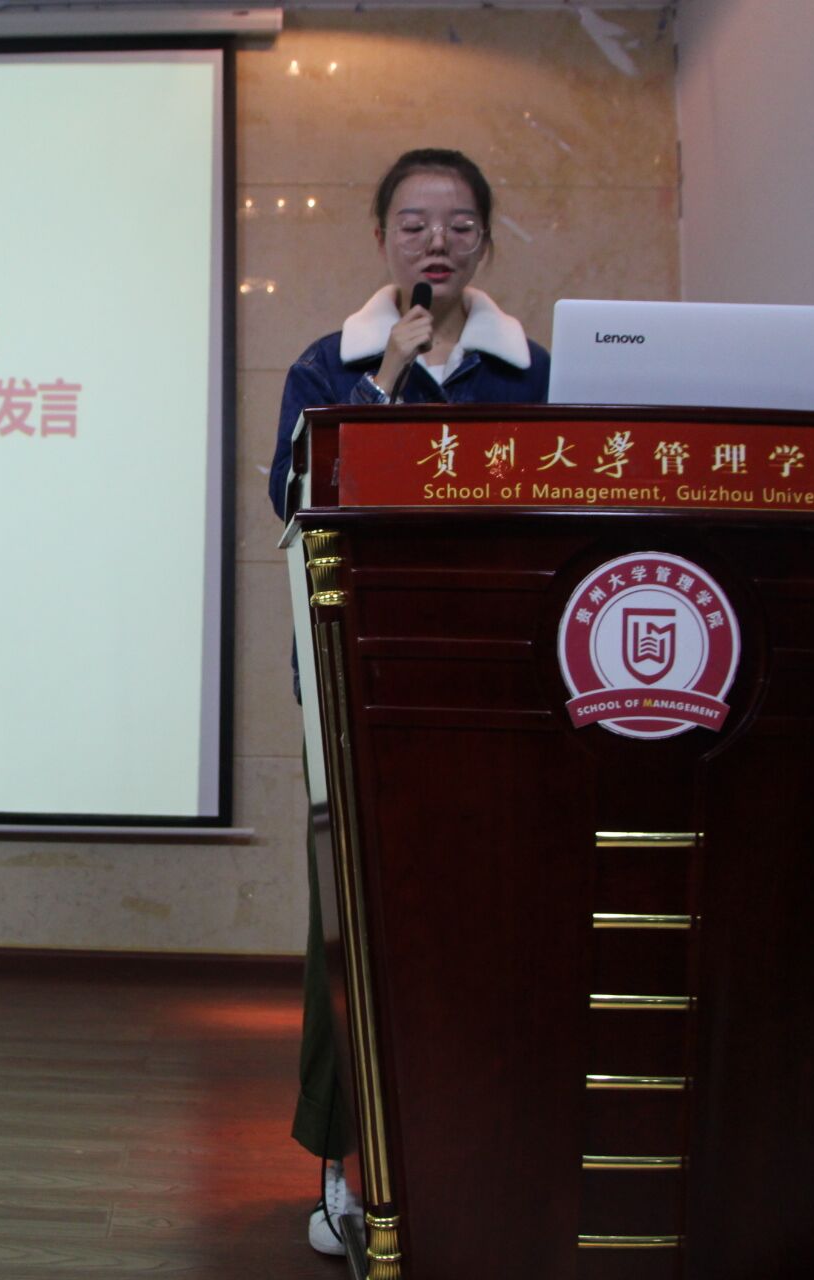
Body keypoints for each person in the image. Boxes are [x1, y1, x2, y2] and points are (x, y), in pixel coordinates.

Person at [267, 147, 550, 1258]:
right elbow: (295, 497)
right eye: (416, 224)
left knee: (489, 915)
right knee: (352, 920)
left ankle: (481, 1150)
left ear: (486, 240)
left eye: (460, 224)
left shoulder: (531, 374)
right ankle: (345, 1162)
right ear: (382, 237)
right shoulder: (327, 366)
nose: (438, 242)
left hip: (504, 676)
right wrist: (382, 382)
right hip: (357, 672)